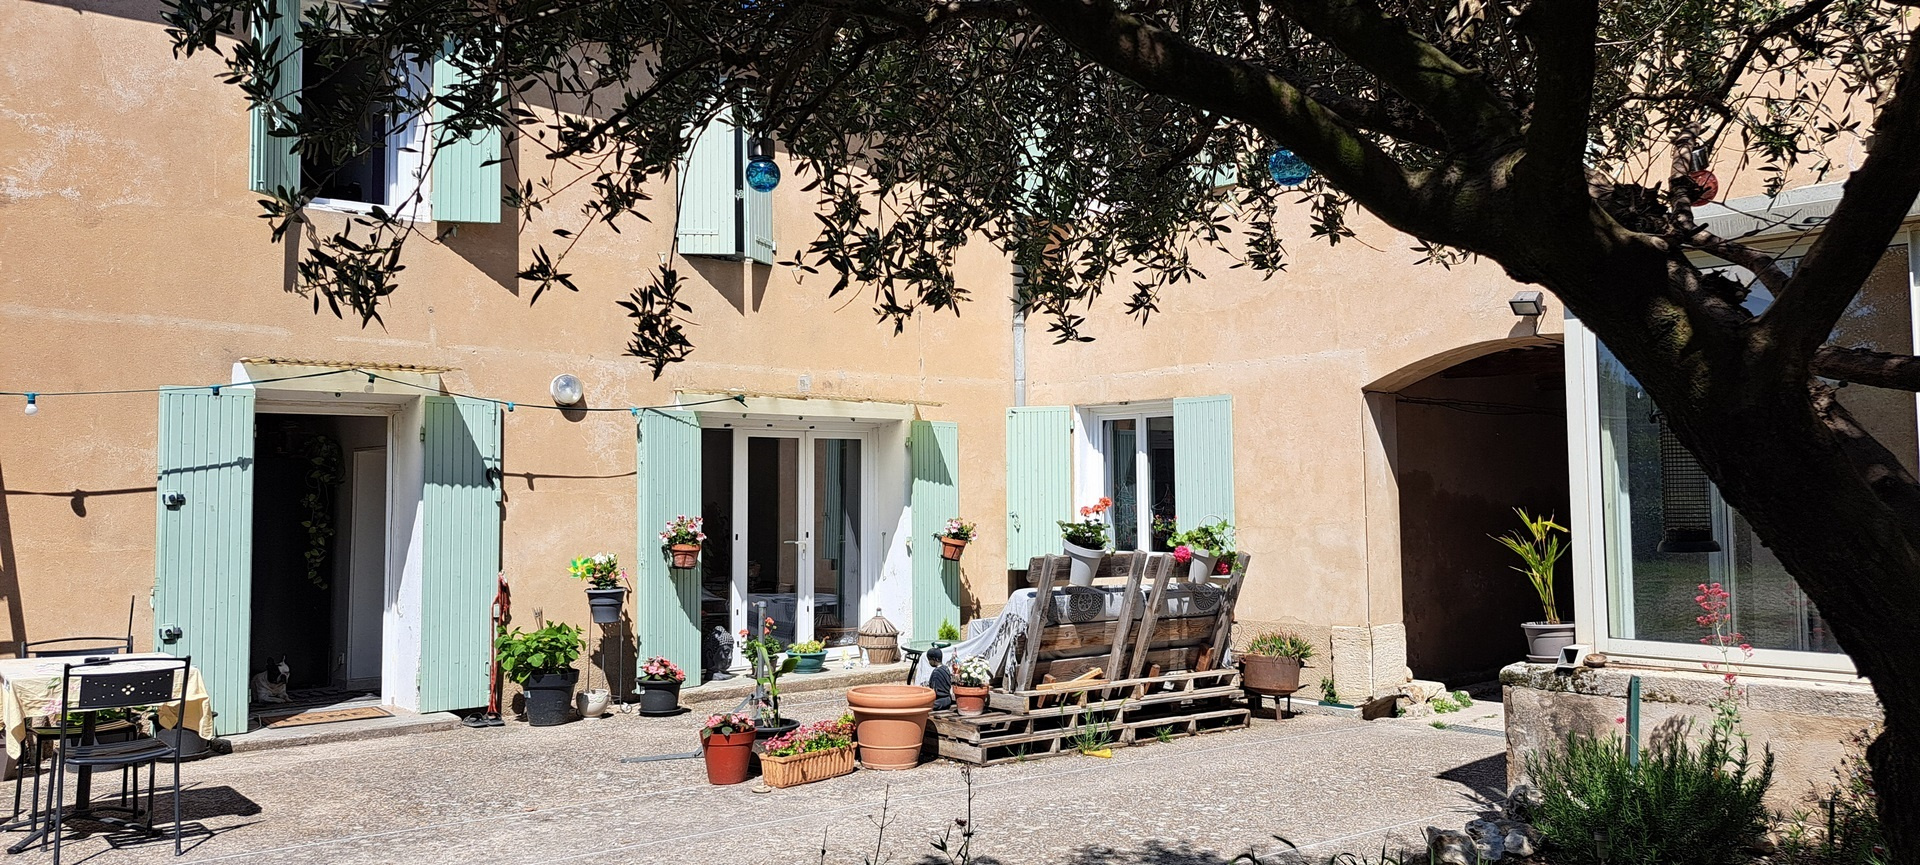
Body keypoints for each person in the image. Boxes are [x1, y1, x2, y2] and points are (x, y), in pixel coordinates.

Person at [925, 646, 953, 710]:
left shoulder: (936, 672)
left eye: (930, 660)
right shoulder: (946, 668)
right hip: (948, 699)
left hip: (939, 702)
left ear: (934, 659)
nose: (929, 662)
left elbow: (935, 691)